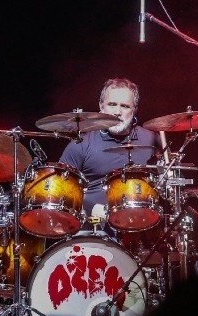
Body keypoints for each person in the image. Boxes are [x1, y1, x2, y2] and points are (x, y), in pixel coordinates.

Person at [58, 77, 169, 233]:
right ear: (101, 106)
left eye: (124, 106)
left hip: (144, 228)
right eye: (112, 104)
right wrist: (90, 207)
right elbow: (61, 191)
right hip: (93, 229)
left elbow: (172, 185)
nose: (117, 112)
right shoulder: (81, 144)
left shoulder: (153, 140)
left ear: (134, 109)